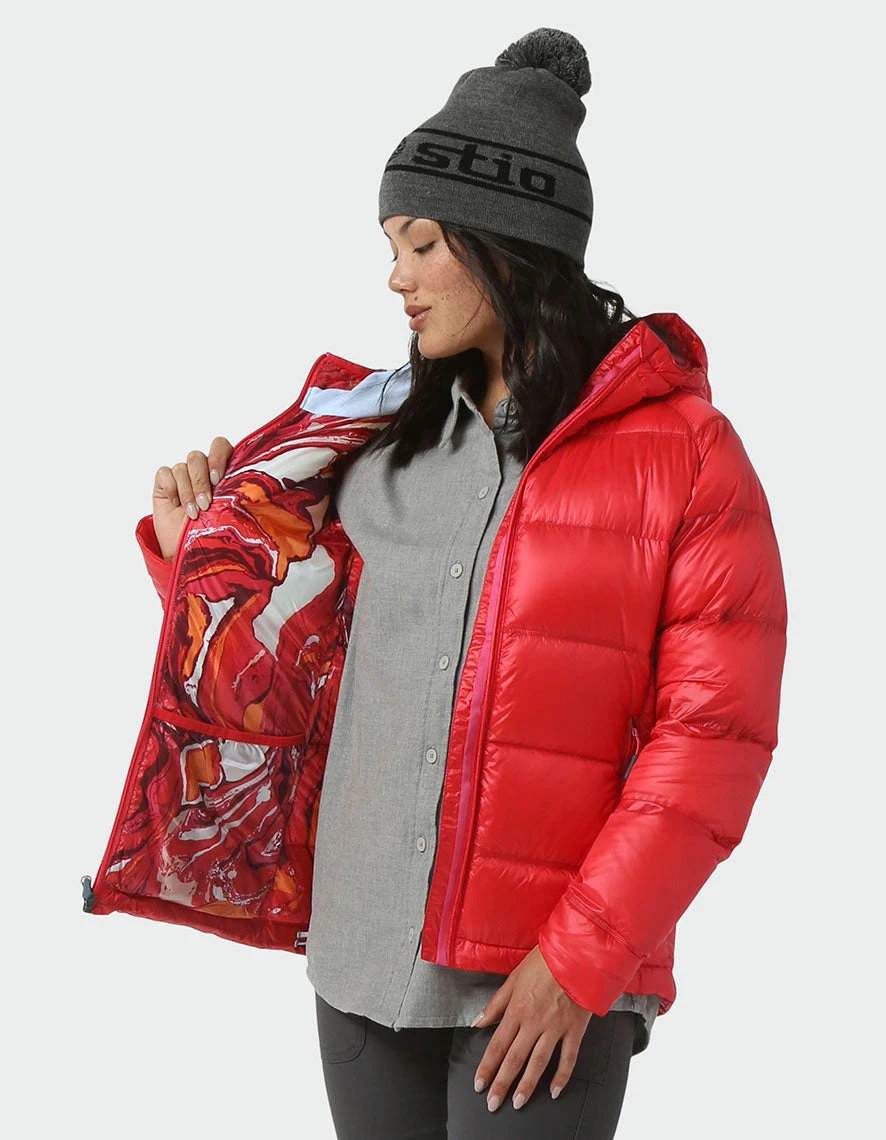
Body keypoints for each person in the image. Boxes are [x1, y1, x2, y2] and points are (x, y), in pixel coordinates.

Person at [84, 28, 787, 1139]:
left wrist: (580, 959)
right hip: (363, 958)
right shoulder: (378, 443)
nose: (394, 276)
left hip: (539, 988)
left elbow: (712, 741)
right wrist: (192, 554)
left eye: (420, 243)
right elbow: (303, 661)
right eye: (389, 246)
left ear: (509, 243)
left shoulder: (687, 457)